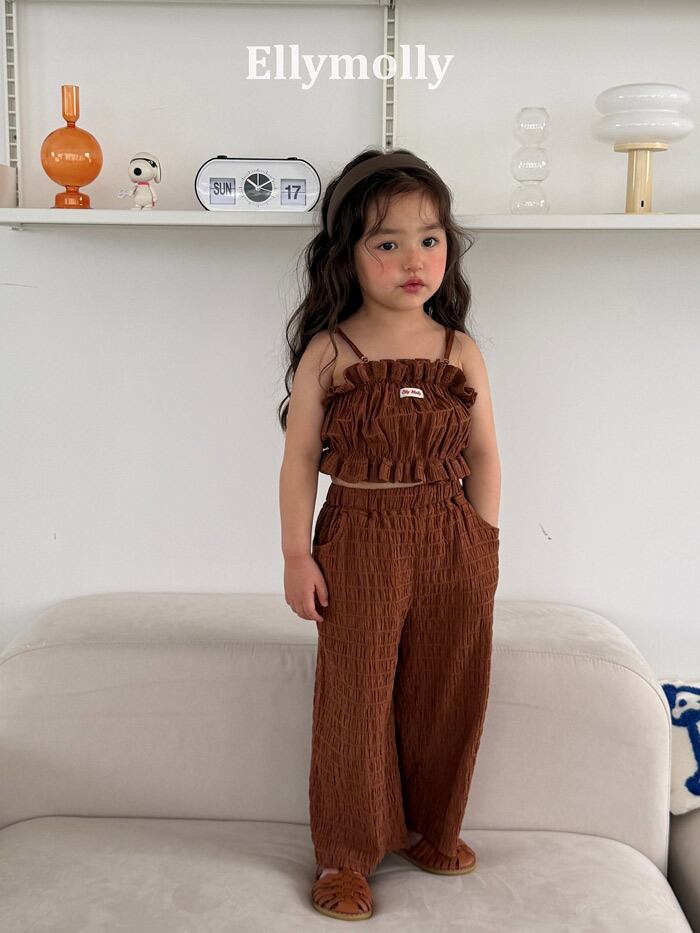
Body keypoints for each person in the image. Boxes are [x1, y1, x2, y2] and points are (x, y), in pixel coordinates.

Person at [278, 147, 501, 921]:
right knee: (356, 695)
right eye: (388, 242)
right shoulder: (330, 351)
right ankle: (346, 855)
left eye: (430, 238)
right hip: (358, 538)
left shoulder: (459, 349)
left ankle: (432, 828)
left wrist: (483, 540)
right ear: (348, 254)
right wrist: (297, 554)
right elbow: (299, 460)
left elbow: (484, 454)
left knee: (448, 684)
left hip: (451, 537)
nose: (414, 259)